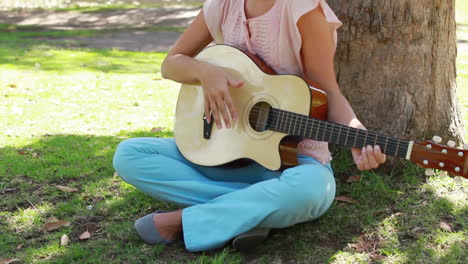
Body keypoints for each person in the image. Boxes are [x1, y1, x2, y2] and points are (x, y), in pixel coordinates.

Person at [113, 0, 386, 252]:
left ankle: (185, 221)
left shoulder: (303, 9)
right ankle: (251, 212)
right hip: (222, 150)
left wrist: (354, 132)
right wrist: (205, 72)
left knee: (312, 191)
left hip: (294, 162)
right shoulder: (223, 5)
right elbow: (170, 64)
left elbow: (328, 91)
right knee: (130, 155)